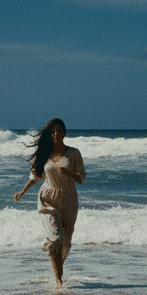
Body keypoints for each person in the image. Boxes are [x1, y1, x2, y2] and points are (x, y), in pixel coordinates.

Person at [14, 118, 85, 285]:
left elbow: (81, 178)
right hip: (47, 198)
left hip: (69, 199)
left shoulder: (74, 153)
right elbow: (36, 176)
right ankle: (58, 281)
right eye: (53, 131)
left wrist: (70, 174)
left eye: (59, 131)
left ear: (64, 132)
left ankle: (58, 273)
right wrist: (22, 191)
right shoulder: (44, 153)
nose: (55, 134)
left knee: (66, 243)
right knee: (56, 239)